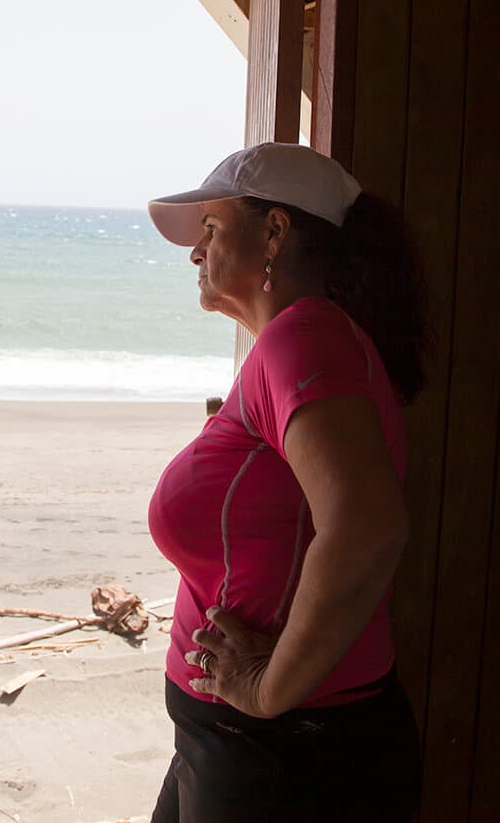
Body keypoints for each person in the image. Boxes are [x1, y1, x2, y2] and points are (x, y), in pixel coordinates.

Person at [144, 142, 426, 822]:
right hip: (241, 741)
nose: (194, 252)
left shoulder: (304, 337)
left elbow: (367, 527)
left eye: (210, 229)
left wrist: (267, 690)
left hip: (284, 752)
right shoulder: (299, 342)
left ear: (274, 231)